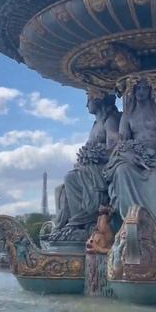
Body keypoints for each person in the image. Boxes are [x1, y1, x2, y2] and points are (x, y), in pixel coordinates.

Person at [105, 77, 156, 238]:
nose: (141, 92)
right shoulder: (128, 115)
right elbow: (122, 141)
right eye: (138, 89)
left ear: (150, 91)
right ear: (134, 92)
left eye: (144, 89)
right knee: (121, 171)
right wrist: (129, 155)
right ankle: (129, 224)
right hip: (135, 157)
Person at [53, 91, 121, 237]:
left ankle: (81, 222)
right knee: (60, 188)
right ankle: (71, 222)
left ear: (98, 99)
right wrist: (85, 159)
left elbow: (114, 147)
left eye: (88, 99)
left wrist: (94, 157)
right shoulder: (97, 123)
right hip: (92, 166)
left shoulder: (110, 120)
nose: (86, 104)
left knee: (70, 178)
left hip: (105, 166)